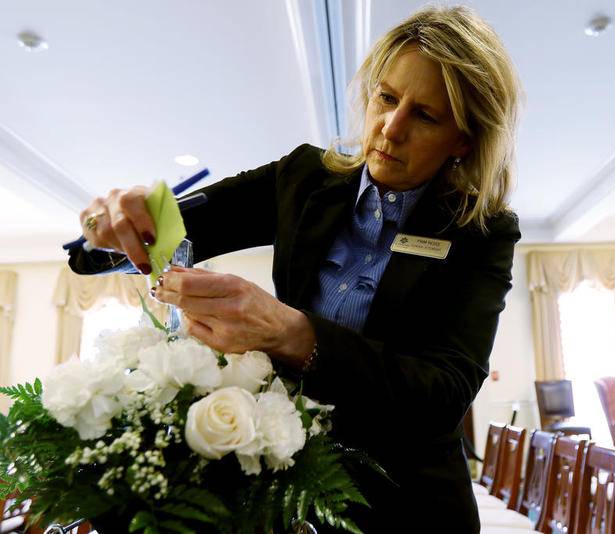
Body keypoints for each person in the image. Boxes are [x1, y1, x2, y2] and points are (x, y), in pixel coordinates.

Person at [70, 5, 521, 532]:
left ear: (463, 140)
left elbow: (442, 396)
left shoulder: (481, 232)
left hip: (413, 505)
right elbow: (162, 230)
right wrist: (115, 221)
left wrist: (294, 334)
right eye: (387, 97)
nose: (389, 129)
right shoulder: (305, 179)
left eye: (424, 116)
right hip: (295, 496)